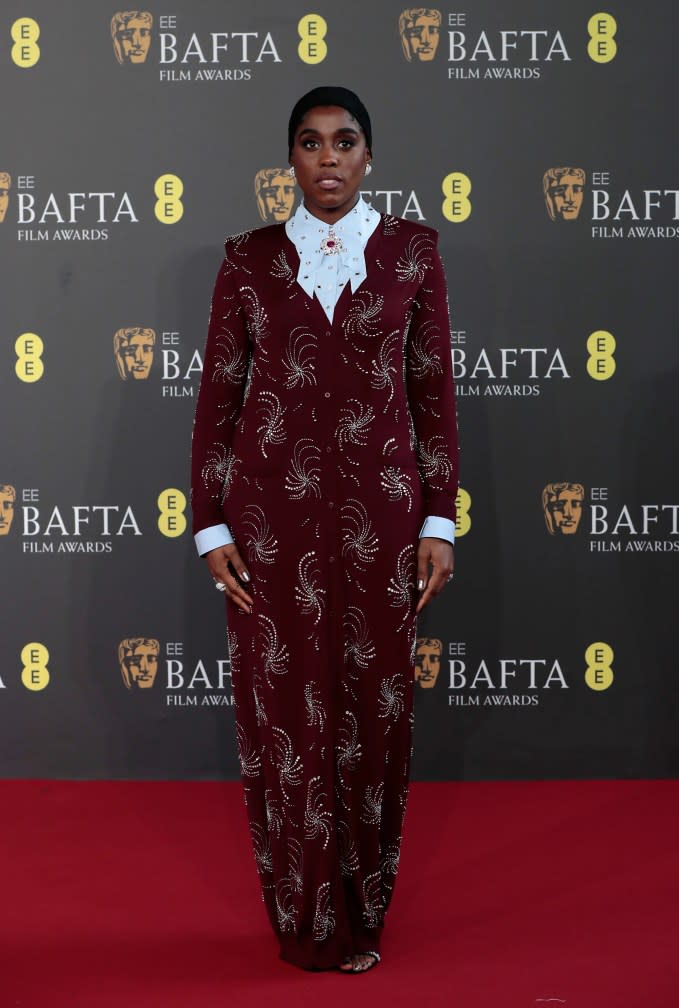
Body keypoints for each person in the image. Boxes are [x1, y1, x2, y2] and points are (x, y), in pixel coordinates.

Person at [190, 86, 458, 974]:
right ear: (291, 162)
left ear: (369, 155)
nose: (329, 158)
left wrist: (437, 518)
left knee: (372, 716)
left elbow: (431, 397)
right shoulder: (247, 258)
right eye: (310, 144)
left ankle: (360, 911)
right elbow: (218, 400)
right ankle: (301, 919)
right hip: (268, 530)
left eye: (345, 142)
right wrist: (208, 522)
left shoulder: (413, 253)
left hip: (382, 525)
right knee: (286, 720)